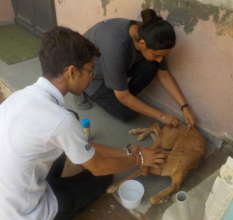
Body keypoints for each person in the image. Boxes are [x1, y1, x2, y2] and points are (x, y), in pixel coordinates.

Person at [0, 26, 166, 220]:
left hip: (9, 195)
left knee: (72, 124)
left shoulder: (20, 97)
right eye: (89, 70)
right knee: (103, 177)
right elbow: (98, 166)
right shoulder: (60, 121)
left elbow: (80, 142)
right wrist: (140, 159)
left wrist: (129, 151)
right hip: (25, 213)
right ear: (71, 72)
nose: (91, 76)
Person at [76, 8, 196, 128]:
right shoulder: (116, 48)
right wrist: (162, 117)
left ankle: (121, 91)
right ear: (142, 44)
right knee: (128, 114)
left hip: (113, 68)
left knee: (152, 65)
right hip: (92, 77)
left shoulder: (148, 33)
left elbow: (164, 74)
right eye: (157, 55)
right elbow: (123, 96)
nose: (160, 59)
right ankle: (84, 91)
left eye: (163, 56)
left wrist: (184, 107)